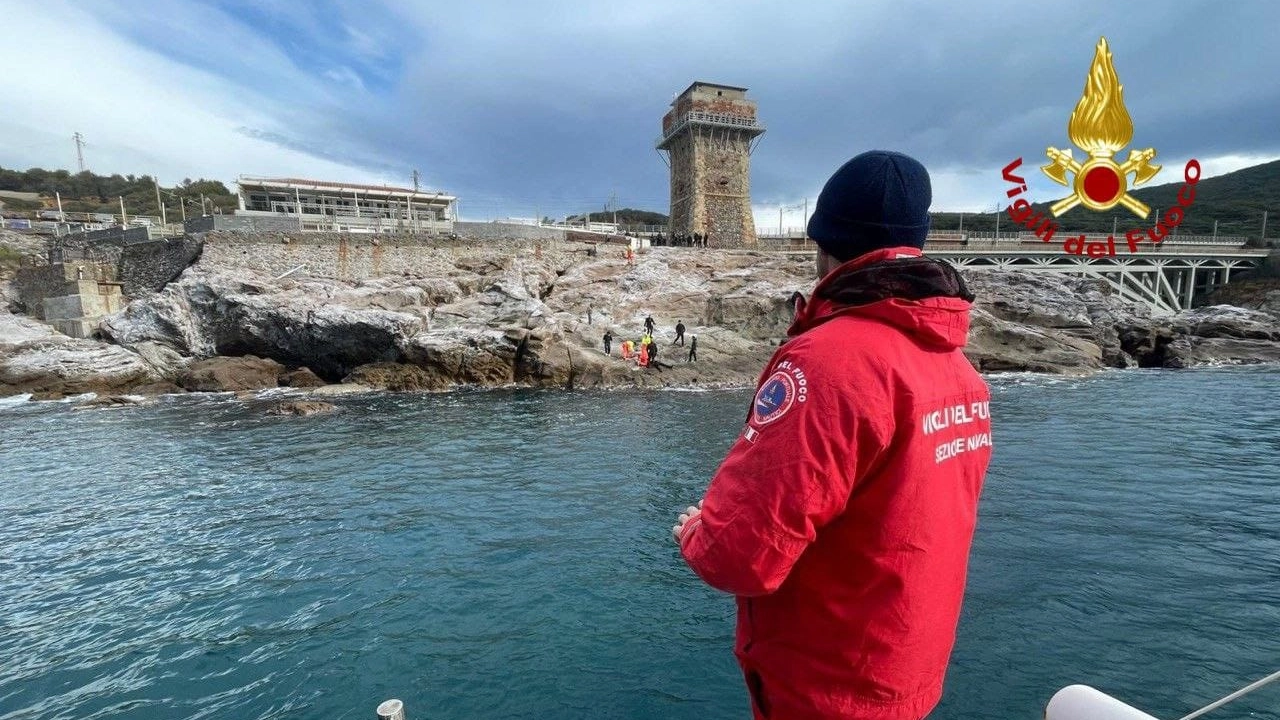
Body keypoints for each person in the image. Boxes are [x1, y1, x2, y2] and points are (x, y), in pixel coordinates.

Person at [672, 150, 992, 720]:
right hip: (903, 673)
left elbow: (741, 554)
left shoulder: (827, 362)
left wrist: (698, 531)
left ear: (824, 240)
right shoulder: (958, 369)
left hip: (826, 686)